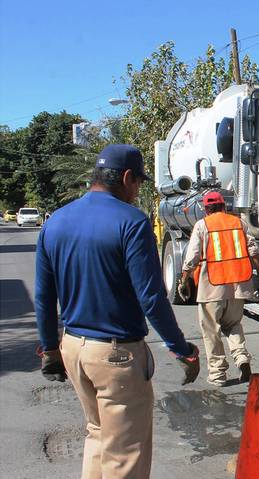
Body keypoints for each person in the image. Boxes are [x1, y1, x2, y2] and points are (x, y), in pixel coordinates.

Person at [35, 144, 200, 479]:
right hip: (115, 357)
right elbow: (151, 298)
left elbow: (43, 295)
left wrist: (50, 349)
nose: (137, 190)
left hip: (73, 349)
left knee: (98, 434)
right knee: (125, 455)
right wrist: (181, 348)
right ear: (126, 178)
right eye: (138, 182)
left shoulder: (56, 222)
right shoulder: (132, 222)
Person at [178, 191, 259, 386]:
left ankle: (218, 374)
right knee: (233, 325)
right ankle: (241, 357)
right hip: (238, 285)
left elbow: (192, 257)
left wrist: (183, 280)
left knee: (211, 331)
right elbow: (254, 250)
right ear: (223, 206)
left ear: (205, 209)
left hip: (212, 287)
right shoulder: (239, 223)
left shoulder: (202, 225)